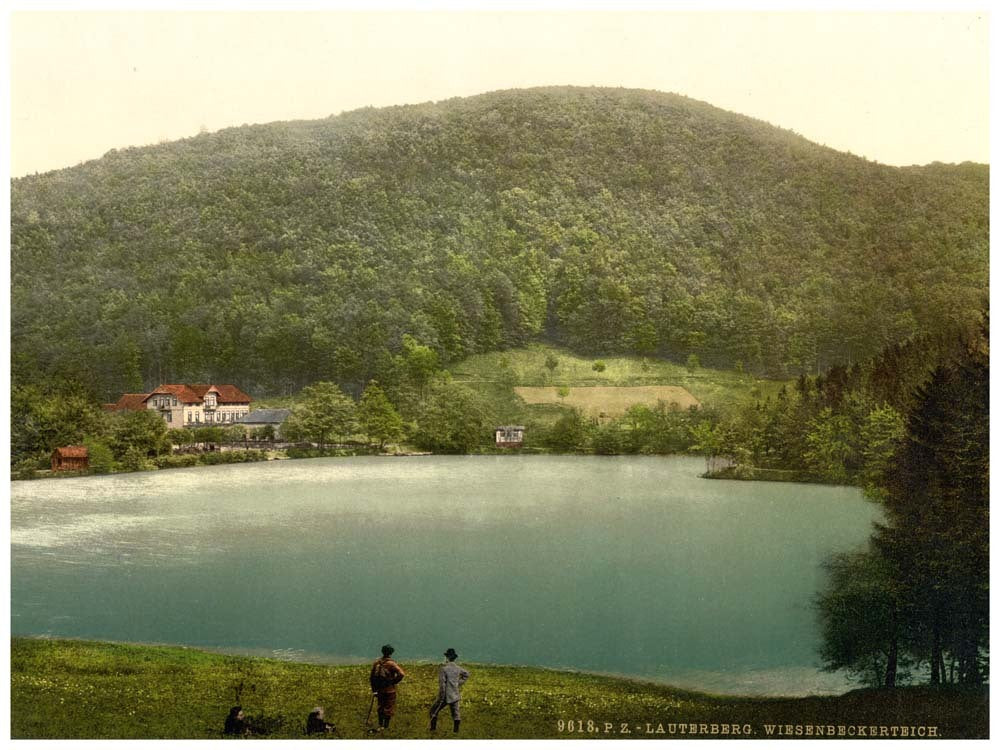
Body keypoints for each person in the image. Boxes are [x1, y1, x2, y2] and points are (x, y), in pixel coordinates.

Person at [429, 648, 469, 734]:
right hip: (455, 694)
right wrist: (458, 683)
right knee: (456, 714)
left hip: (445, 695)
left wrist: (441, 696)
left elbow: (442, 685)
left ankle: (433, 729)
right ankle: (456, 731)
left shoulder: (444, 669)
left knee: (433, 711)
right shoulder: (458, 668)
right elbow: (466, 674)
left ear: (447, 658)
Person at [369, 644, 406, 732]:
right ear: (391, 653)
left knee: (380, 707)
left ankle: (380, 725)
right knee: (389, 707)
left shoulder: (377, 663)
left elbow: (372, 677)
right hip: (390, 690)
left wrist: (374, 689)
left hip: (379, 689)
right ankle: (386, 727)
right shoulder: (391, 664)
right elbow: (401, 674)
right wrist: (393, 681)